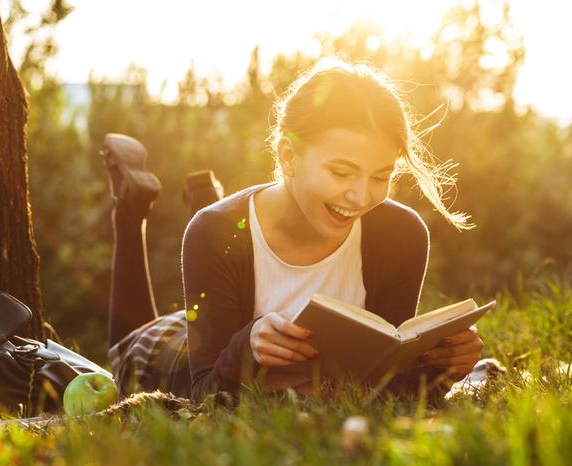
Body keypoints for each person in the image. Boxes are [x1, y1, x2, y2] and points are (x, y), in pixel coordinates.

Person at [105, 58, 484, 402]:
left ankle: (205, 199)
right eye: (341, 172)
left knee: (214, 250)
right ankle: (130, 212)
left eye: (381, 176)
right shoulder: (209, 235)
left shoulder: (402, 236)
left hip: (221, 311)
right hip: (184, 357)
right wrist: (247, 348)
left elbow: (384, 384)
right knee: (129, 345)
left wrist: (442, 366)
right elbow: (205, 392)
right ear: (288, 156)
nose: (360, 195)